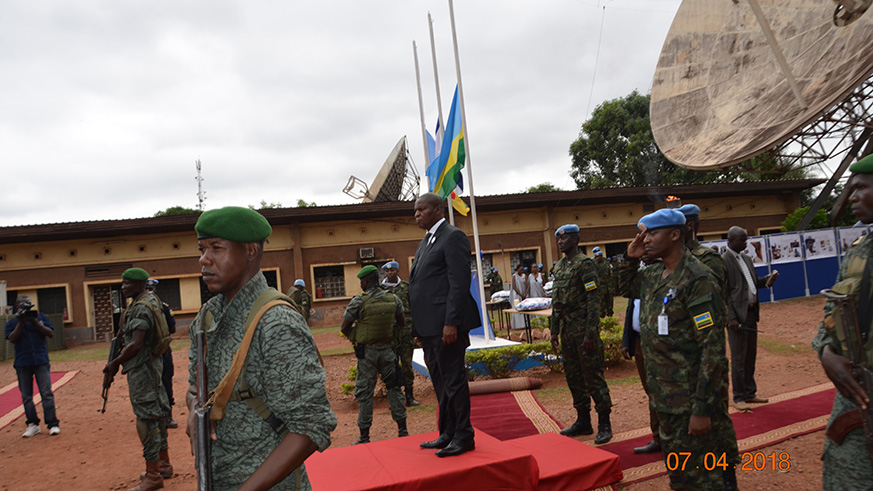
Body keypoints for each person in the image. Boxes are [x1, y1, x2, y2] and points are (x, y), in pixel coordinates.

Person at [185, 206, 336, 490]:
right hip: (218, 476)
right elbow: (196, 386)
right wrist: (195, 408)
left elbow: (312, 425)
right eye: (202, 249)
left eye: (216, 248)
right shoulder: (207, 317)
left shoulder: (276, 322)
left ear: (251, 251)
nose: (204, 260)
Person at [621, 209, 739, 490]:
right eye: (644, 233)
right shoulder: (652, 276)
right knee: (679, 474)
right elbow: (623, 287)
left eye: (653, 233)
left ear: (675, 234)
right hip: (665, 398)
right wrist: (630, 258)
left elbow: (712, 350)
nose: (646, 239)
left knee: (704, 477)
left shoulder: (699, 279)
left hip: (690, 400)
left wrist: (702, 409)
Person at [812, 154, 873, 489]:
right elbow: (829, 318)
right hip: (853, 404)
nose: (851, 197)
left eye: (860, 188)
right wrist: (826, 354)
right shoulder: (858, 251)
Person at [409, 192, 480, 458]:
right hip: (429, 328)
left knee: (453, 380)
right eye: (415, 211)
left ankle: (464, 435)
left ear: (438, 209)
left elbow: (458, 283)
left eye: (421, 210)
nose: (416, 215)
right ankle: (447, 432)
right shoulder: (427, 240)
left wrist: (451, 322)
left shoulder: (453, 237)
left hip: (446, 326)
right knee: (440, 382)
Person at [103, 268, 172, 491]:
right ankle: (163, 464)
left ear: (140, 284)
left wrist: (115, 363)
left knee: (146, 419)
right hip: (154, 366)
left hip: (143, 370)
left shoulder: (140, 309)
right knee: (159, 414)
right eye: (122, 283)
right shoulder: (150, 300)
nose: (123, 287)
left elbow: (136, 344)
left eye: (127, 283)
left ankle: (153, 476)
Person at [551, 224, 613, 444]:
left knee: (593, 376)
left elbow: (593, 300)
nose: (560, 242)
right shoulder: (559, 267)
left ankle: (604, 423)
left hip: (583, 331)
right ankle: (583, 420)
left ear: (575, 240)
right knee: (573, 377)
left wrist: (590, 333)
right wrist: (554, 331)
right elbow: (556, 303)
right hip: (567, 331)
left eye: (564, 239)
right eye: (558, 239)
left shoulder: (585, 264)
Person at [341, 265, 408, 444]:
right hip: (388, 352)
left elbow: (344, 327)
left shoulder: (359, 301)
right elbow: (401, 324)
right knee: (394, 389)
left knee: (365, 392)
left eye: (361, 281)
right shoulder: (393, 299)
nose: (361, 285)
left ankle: (364, 436)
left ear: (366, 281)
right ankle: (403, 430)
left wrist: (358, 337)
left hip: (367, 354)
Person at [722, 226, 778, 411]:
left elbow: (752, 283)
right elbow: (724, 293)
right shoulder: (724, 261)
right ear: (731, 240)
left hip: (751, 313)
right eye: (742, 240)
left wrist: (767, 281)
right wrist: (731, 318)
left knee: (750, 356)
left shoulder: (746, 258)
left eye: (746, 240)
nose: (746, 243)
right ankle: (739, 397)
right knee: (738, 358)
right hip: (737, 317)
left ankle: (750, 393)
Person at [620, 255, 661, 454]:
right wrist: (626, 341)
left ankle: (670, 437)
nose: (646, 248)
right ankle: (659, 437)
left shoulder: (665, 274)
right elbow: (631, 310)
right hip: (638, 340)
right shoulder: (640, 276)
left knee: (662, 390)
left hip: (659, 342)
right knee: (651, 390)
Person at [5, 295, 60, 438]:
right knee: (27, 396)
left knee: (46, 393)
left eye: (29, 307)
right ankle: (32, 424)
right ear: (17, 308)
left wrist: (35, 322)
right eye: (23, 307)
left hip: (40, 360)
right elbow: (11, 339)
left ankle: (53, 424)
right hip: (23, 362)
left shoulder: (41, 317)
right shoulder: (12, 322)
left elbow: (50, 333)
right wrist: (21, 322)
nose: (27, 310)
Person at [381, 260, 420, 407]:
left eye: (392, 271)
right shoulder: (381, 289)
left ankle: (409, 396)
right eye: (387, 271)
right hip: (389, 334)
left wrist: (416, 330)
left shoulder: (406, 287)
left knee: (407, 365)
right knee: (391, 366)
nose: (389, 273)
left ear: (397, 271)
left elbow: (415, 309)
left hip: (406, 333)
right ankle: (395, 399)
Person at [146, 278, 179, 429]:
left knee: (158, 382)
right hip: (160, 351)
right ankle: (165, 417)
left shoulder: (145, 308)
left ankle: (158, 417)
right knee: (162, 382)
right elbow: (172, 329)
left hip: (153, 352)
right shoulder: (163, 307)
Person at [679, 204, 727, 289]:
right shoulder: (672, 257)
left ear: (690, 226)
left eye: (677, 227)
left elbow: (716, 293)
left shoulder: (708, 258)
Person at [593, 247, 614, 317]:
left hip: (608, 286)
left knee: (610, 301)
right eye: (596, 256)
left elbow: (610, 274)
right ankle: (602, 316)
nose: (598, 258)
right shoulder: (593, 264)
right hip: (600, 287)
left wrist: (612, 284)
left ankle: (610, 314)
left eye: (599, 256)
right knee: (602, 303)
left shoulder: (606, 262)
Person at [510, 263, 528, 328]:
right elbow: (514, 287)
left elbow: (527, 285)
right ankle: (518, 325)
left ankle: (525, 324)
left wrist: (525, 294)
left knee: (524, 309)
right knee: (518, 309)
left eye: (523, 269)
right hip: (517, 295)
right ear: (518, 269)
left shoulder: (524, 276)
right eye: (521, 269)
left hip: (524, 295)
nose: (522, 271)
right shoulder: (514, 276)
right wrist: (520, 295)